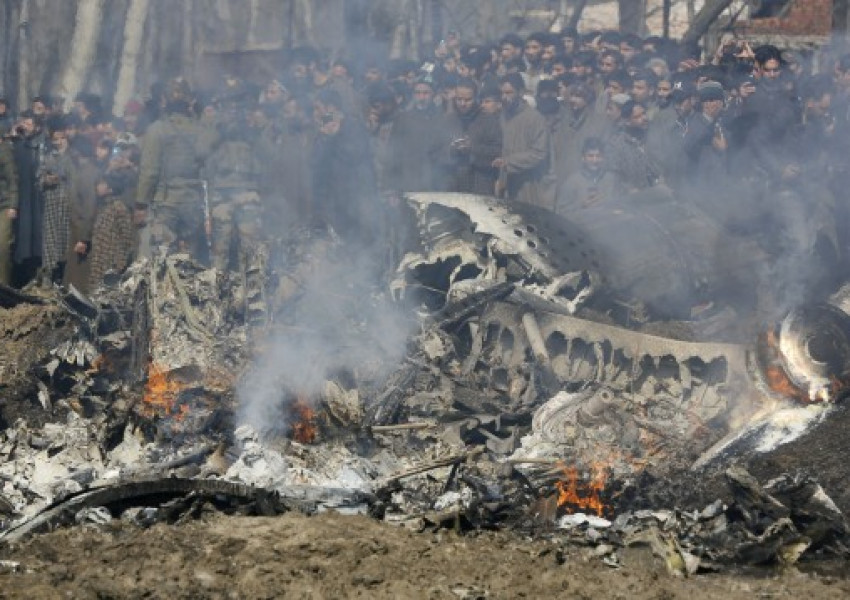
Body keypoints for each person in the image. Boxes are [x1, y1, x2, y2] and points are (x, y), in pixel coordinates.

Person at [136, 77, 217, 257]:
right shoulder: (200, 130)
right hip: (192, 201)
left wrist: (141, 203)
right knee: (190, 259)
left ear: (164, 100)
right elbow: (208, 167)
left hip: (166, 203)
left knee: (160, 259)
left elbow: (149, 171)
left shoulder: (157, 130)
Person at [206, 86, 264, 272]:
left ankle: (252, 293)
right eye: (228, 105)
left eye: (237, 105)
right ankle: (217, 293)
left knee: (249, 251)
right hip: (222, 196)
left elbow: (269, 156)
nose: (233, 110)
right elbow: (202, 153)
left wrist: (256, 128)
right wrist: (217, 129)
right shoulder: (215, 129)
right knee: (219, 251)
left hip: (247, 194)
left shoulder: (252, 129)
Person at [492, 73, 548, 207]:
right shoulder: (501, 116)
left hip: (528, 185)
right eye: (502, 93)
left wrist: (510, 162)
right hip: (503, 182)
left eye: (509, 93)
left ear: (521, 92)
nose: (504, 97)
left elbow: (539, 153)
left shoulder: (535, 119)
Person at [38, 119, 74, 285]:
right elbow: (38, 179)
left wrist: (65, 155)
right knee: (50, 243)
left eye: (61, 138)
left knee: (66, 243)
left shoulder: (72, 157)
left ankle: (65, 278)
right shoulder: (47, 158)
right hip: (52, 206)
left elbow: (70, 174)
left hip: (67, 206)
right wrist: (47, 179)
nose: (59, 142)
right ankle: (48, 279)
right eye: (56, 139)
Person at [89, 173, 134, 290]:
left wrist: (119, 265)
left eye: (102, 184)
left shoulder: (119, 208)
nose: (97, 186)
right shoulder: (103, 206)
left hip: (110, 263)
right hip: (99, 260)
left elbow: (127, 238)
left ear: (110, 188)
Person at [556, 137, 615, 214]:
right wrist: (581, 206)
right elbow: (560, 212)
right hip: (581, 224)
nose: (595, 160)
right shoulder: (572, 182)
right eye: (590, 156)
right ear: (583, 158)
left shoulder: (609, 178)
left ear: (603, 158)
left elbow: (618, 203)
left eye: (598, 156)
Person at [0, 134, 18, 286]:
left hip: (4, 205)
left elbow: (12, 179)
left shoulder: (4, 151)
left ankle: (4, 284)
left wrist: (13, 205)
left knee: (2, 247)